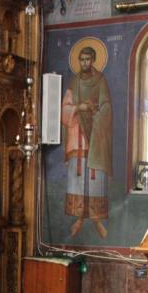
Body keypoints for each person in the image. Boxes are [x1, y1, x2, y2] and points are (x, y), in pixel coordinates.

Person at [61, 45, 112, 239]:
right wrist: (78, 108)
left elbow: (107, 106)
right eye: (81, 59)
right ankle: (79, 219)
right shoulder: (74, 83)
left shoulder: (100, 80)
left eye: (88, 59)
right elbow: (64, 109)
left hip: (96, 136)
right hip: (78, 136)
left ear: (93, 60)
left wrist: (96, 112)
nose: (84, 63)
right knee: (78, 177)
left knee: (95, 178)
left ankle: (96, 220)